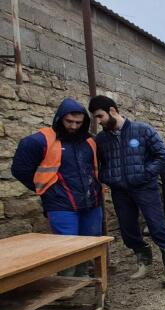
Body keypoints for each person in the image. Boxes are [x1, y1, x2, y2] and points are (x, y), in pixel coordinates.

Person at [89, 95, 165, 285]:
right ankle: (143, 259)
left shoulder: (142, 129)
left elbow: (163, 155)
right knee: (127, 229)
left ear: (113, 111)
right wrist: (107, 177)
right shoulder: (102, 139)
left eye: (100, 116)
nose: (98, 121)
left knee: (156, 225)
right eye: (95, 118)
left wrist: (145, 174)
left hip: (145, 187)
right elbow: (99, 163)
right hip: (120, 191)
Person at [11, 98, 102, 277]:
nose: (73, 126)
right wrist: (47, 189)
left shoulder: (90, 141)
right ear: (59, 118)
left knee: (89, 242)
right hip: (61, 203)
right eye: (69, 121)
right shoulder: (39, 141)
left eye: (78, 122)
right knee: (65, 246)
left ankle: (82, 276)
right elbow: (20, 169)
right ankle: (66, 282)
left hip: (91, 201)